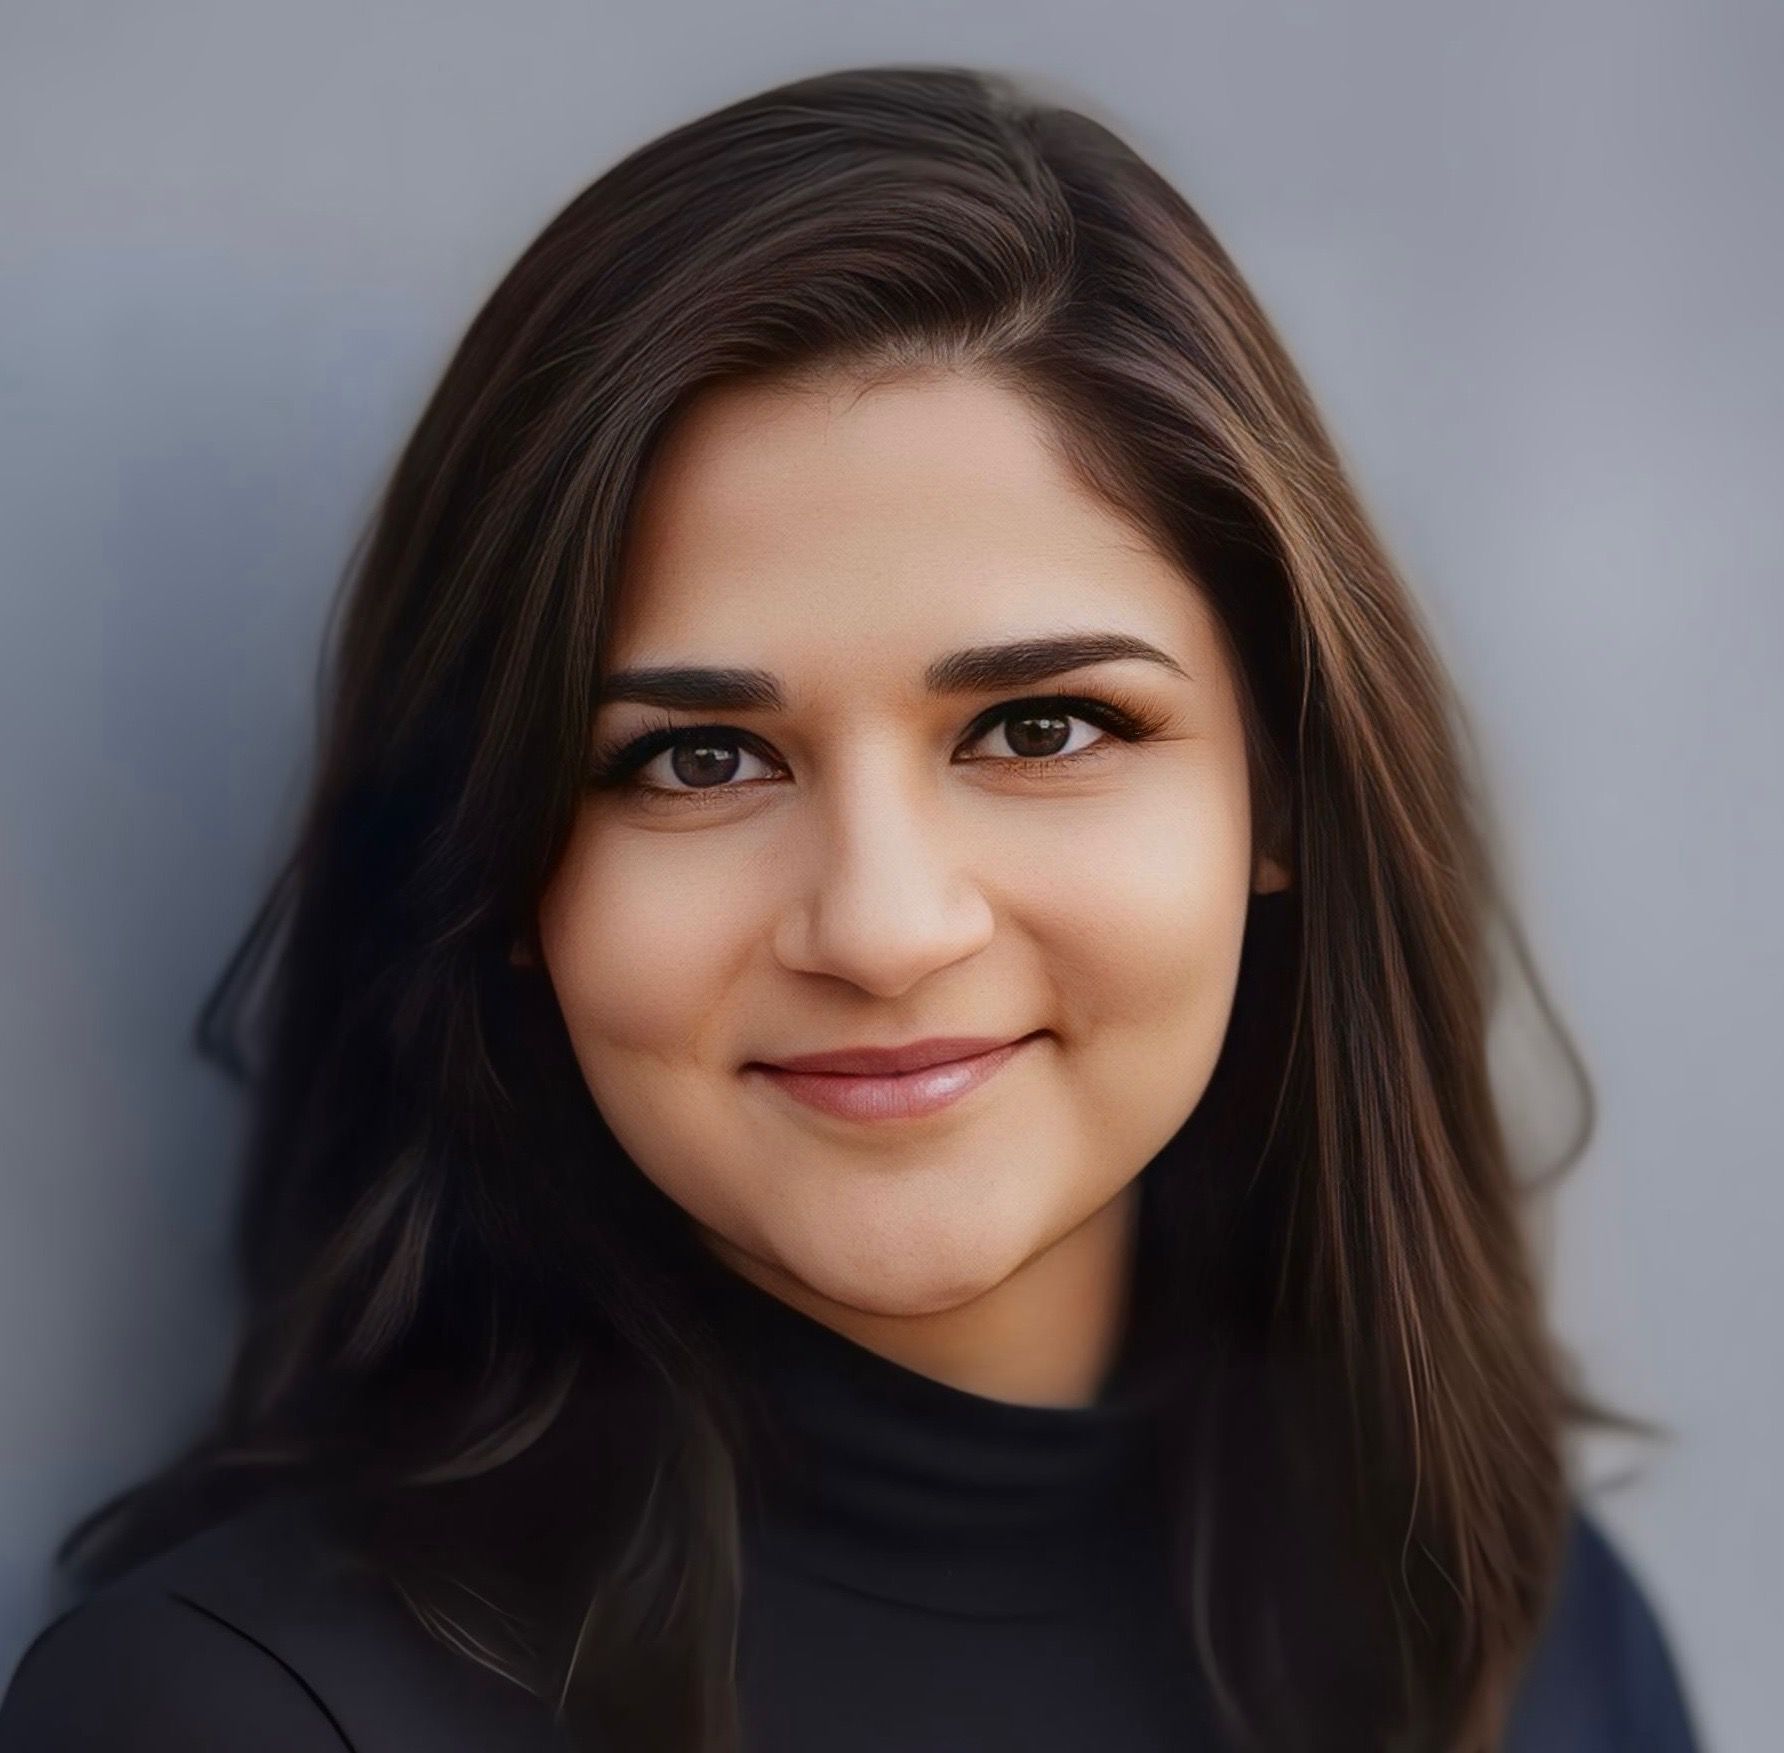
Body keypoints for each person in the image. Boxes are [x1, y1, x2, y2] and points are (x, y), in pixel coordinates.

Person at [0, 62, 1702, 1753]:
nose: (884, 928)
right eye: (695, 761)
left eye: (1041, 728)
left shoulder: (1523, 1630)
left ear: (1283, 792)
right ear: (501, 866)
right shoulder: (232, 1712)